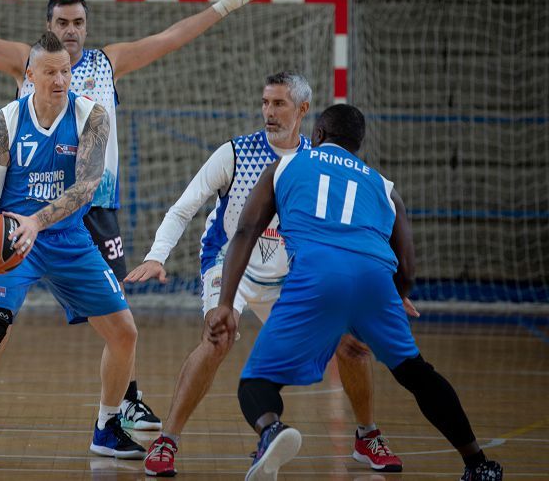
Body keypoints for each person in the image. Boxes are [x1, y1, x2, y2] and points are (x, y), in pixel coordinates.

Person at [0, 0, 272, 431]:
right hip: (27, 212)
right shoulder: (26, 61)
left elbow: (169, 37)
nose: (71, 30)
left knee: (118, 316)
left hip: (93, 209)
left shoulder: (107, 62)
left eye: (78, 22)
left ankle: (126, 402)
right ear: (49, 28)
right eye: (62, 23)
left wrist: (225, 4)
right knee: (0, 318)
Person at [128, 72, 406, 476]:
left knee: (352, 344)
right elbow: (184, 207)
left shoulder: (316, 164)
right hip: (230, 265)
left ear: (304, 111)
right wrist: (157, 255)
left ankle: (367, 436)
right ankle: (166, 441)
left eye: (279, 104)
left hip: (290, 275)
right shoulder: (235, 154)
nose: (269, 112)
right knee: (217, 338)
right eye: (265, 102)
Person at [205, 104, 502, 481]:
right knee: (417, 373)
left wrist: (226, 304)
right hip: (375, 278)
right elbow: (407, 264)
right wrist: (397, 295)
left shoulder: (284, 167)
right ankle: (478, 464)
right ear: (358, 144)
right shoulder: (384, 187)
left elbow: (246, 232)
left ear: (317, 136)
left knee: (257, 382)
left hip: (317, 273)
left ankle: (271, 431)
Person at [0, 33, 143, 466]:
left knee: (124, 333)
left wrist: (38, 222)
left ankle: (107, 426)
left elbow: (85, 189)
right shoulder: (5, 121)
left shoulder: (91, 116)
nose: (61, 79)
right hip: (11, 238)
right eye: (50, 72)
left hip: (68, 239)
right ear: (30, 76)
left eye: (65, 70)